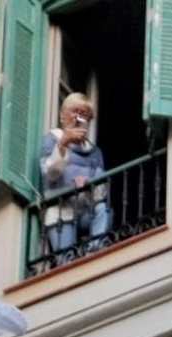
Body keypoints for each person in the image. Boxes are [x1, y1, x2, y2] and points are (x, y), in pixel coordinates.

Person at [38, 92, 112, 255]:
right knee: (66, 259)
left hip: (85, 209)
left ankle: (94, 252)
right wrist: (63, 143)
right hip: (61, 210)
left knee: (103, 210)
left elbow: (101, 193)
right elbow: (50, 174)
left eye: (84, 114)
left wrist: (89, 182)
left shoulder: (94, 152)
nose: (78, 117)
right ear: (62, 115)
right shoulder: (51, 139)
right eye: (74, 111)